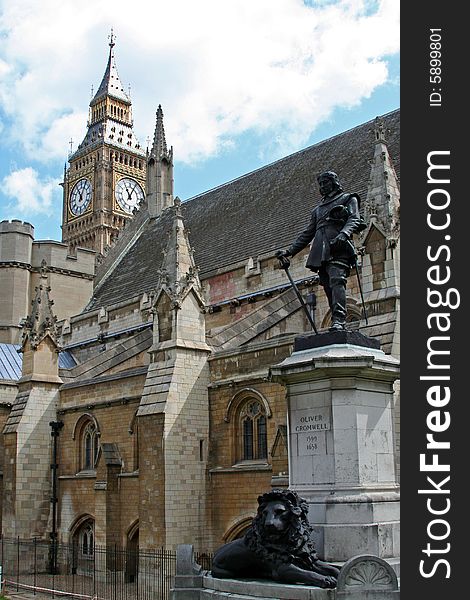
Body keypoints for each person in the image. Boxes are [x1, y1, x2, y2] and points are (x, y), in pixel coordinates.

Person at [276, 171, 362, 331]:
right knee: (328, 286)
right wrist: (289, 252)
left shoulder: (349, 198)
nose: (322, 186)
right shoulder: (317, 210)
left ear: (334, 182)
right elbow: (307, 234)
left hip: (338, 247)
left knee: (337, 280)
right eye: (320, 184)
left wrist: (344, 234)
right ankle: (337, 321)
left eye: (325, 182)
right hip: (320, 251)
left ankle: (339, 320)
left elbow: (355, 219)